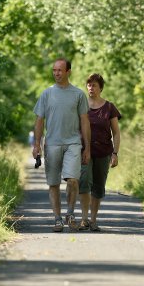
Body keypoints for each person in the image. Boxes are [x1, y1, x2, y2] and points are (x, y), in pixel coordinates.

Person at [32, 58, 91, 232]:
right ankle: (57, 219)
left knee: (73, 180)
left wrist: (87, 147)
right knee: (54, 183)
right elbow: (39, 120)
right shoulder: (47, 94)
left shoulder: (78, 94)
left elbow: (85, 122)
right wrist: (37, 144)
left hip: (73, 142)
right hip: (52, 144)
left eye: (60, 70)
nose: (56, 73)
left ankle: (70, 214)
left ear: (68, 72)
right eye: (54, 70)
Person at [78, 73, 121, 231]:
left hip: (103, 151)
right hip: (84, 151)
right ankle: (84, 218)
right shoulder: (81, 106)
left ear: (100, 88)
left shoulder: (109, 107)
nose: (91, 88)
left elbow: (116, 133)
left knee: (98, 186)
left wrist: (115, 153)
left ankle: (94, 220)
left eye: (94, 85)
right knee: (84, 182)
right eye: (89, 85)